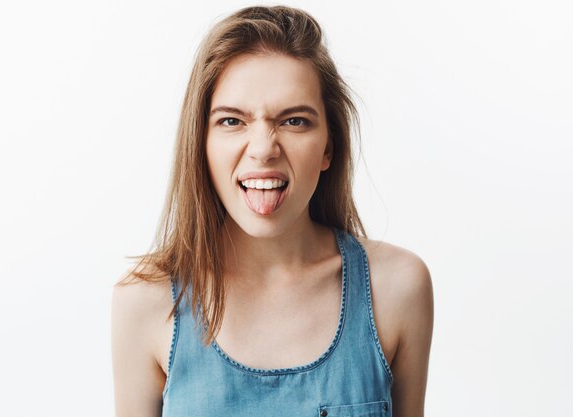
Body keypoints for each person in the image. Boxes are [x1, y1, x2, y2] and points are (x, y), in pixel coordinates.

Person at [111, 5, 433, 417]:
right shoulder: (144, 302)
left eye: (295, 121)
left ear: (328, 148)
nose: (263, 148)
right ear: (201, 144)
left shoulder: (397, 289)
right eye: (232, 121)